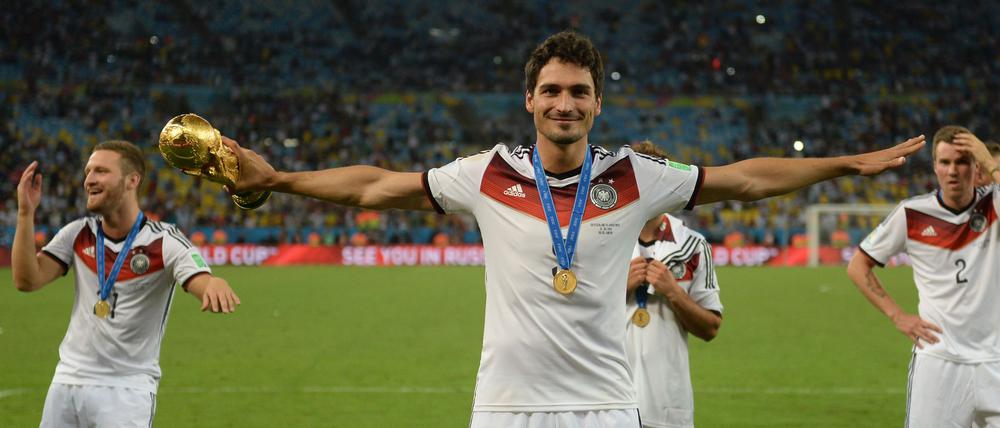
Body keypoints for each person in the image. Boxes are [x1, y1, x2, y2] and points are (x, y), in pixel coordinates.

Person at [224, 31, 923, 427]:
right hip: (505, 408)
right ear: (529, 99)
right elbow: (377, 187)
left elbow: (745, 179)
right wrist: (278, 179)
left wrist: (841, 165)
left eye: (579, 91)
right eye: (552, 91)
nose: (565, 103)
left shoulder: (636, 175)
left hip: (606, 409)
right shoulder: (488, 173)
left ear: (597, 103)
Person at [12, 140, 241, 427]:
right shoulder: (77, 233)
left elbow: (200, 279)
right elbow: (26, 280)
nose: (89, 180)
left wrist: (213, 284)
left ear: (132, 180)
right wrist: (25, 214)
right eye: (88, 172)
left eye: (101, 171)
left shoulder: (164, 240)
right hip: (67, 382)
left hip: (125, 390)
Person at [847, 126, 1000, 428]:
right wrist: (897, 316)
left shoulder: (994, 205)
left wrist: (992, 163)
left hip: (995, 360)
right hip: (938, 361)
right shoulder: (912, 214)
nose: (953, 171)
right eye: (945, 162)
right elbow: (857, 266)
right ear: (934, 167)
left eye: (963, 161)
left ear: (976, 166)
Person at [625, 142, 722, 428]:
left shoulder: (692, 245)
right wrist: (619, 289)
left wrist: (674, 292)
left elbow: (710, 328)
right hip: (606, 402)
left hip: (666, 405)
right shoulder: (599, 238)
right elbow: (571, 316)